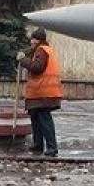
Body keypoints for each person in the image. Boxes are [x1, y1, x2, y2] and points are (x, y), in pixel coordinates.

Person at [18, 27, 63, 156]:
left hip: (44, 92)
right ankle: (38, 145)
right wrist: (24, 55)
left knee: (44, 120)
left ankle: (52, 147)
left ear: (37, 40)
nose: (31, 42)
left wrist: (23, 60)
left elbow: (38, 67)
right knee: (36, 118)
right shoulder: (42, 49)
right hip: (39, 93)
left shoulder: (42, 50)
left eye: (33, 39)